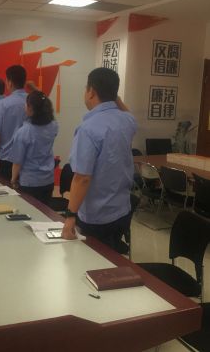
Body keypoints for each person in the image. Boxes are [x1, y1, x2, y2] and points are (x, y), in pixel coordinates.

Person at [61, 68, 136, 254]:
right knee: (111, 258)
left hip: (97, 216)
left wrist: (70, 216)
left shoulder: (88, 129)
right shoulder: (127, 121)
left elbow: (82, 178)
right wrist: (114, 98)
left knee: (92, 261)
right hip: (122, 211)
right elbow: (130, 115)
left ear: (91, 91)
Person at [9, 91, 58, 205]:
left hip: (30, 182)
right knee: (44, 212)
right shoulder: (53, 126)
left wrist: (13, 180)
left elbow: (17, 162)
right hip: (48, 180)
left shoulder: (24, 132)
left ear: (30, 108)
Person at [0, 65, 28, 179]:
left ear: (10, 82)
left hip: (7, 159)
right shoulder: (32, 102)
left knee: (6, 188)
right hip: (28, 161)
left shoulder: (3, 104)